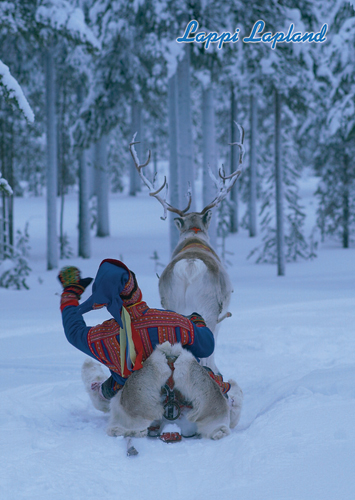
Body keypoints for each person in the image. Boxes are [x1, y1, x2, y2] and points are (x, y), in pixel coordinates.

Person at [58, 259, 222, 403]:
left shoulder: (103, 337)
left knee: (108, 388)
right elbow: (206, 347)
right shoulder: (176, 322)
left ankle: (101, 392)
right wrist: (197, 321)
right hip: (184, 393)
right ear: (135, 289)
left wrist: (70, 294)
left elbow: (73, 332)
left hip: (133, 404)